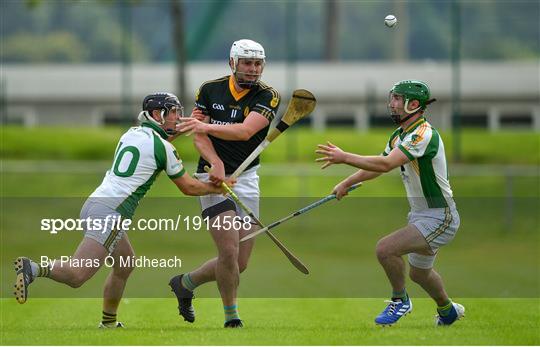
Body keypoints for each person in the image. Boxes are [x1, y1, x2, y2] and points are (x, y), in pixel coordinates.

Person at [14, 92, 227, 328]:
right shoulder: (162, 147)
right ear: (158, 114)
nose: (179, 117)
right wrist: (215, 187)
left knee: (125, 262)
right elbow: (188, 187)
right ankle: (32, 268)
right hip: (111, 214)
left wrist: (186, 128)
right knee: (77, 276)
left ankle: (108, 323)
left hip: (94, 205)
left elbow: (157, 146)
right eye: (174, 112)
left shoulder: (132, 134)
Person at [315, 80, 465, 326]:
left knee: (385, 249)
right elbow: (378, 165)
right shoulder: (400, 135)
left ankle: (400, 300)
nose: (391, 104)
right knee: (419, 273)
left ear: (413, 104)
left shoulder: (423, 134)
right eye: (392, 98)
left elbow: (385, 164)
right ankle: (448, 311)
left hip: (440, 216)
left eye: (397, 99)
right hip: (420, 215)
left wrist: (344, 157)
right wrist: (346, 183)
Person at [168, 39, 280, 328]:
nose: (253, 69)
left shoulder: (268, 96)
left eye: (257, 64)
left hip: (247, 179)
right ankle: (232, 316)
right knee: (228, 252)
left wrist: (204, 125)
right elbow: (197, 136)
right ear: (233, 63)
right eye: (247, 63)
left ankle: (185, 283)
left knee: (239, 263)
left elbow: (244, 132)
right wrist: (215, 162)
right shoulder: (210, 89)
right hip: (211, 178)